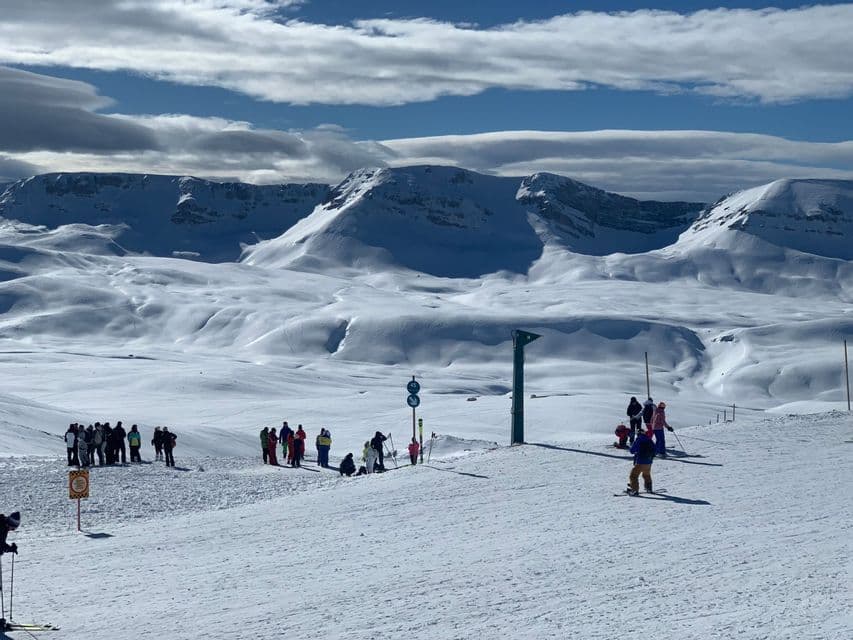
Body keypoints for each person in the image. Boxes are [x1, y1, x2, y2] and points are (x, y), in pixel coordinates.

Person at [626, 430, 655, 495]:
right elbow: (655, 450)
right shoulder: (649, 439)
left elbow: (632, 451)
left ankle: (634, 490)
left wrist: (633, 449)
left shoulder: (638, 440)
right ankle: (649, 488)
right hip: (649, 462)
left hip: (640, 461)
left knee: (633, 476)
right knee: (646, 474)